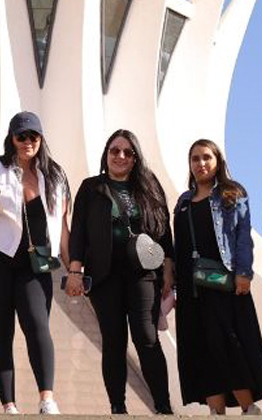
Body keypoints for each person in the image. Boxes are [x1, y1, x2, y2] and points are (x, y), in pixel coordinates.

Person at [0, 111, 70, 415]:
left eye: (33, 136)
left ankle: (47, 399)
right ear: (11, 139)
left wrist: (74, 268)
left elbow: (62, 227)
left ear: (41, 139)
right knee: (0, 330)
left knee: (37, 324)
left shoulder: (55, 176)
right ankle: (9, 405)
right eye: (21, 136)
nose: (27, 142)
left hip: (35, 265)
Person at [66, 129, 174, 415]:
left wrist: (168, 273)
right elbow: (78, 232)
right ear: (106, 154)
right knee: (114, 341)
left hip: (142, 276)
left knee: (147, 337)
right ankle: (118, 407)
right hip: (104, 276)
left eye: (127, 152)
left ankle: (163, 406)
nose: (120, 156)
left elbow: (165, 234)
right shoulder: (92, 188)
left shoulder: (149, 187)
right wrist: (75, 269)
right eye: (115, 150)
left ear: (135, 157)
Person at [173, 139, 262, 416]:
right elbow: (178, 246)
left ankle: (248, 408)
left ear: (217, 161)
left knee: (229, 342)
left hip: (224, 284)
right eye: (195, 158)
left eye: (207, 157)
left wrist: (244, 273)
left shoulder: (231, 193)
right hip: (190, 289)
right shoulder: (183, 202)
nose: (201, 163)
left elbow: (243, 237)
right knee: (200, 347)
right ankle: (215, 412)